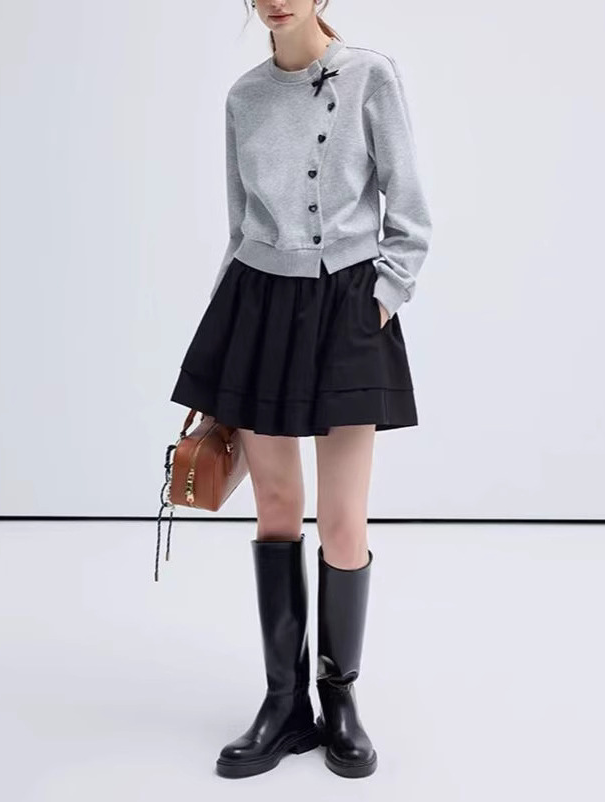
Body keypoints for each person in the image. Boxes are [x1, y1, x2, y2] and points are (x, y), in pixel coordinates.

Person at [169, 0, 432, 780]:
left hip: (349, 306)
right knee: (277, 509)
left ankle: (338, 699)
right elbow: (239, 229)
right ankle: (284, 704)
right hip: (258, 308)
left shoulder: (371, 77)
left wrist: (381, 300)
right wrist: (221, 356)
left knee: (344, 520)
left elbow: (409, 214)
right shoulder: (244, 97)